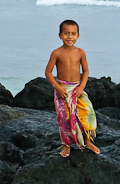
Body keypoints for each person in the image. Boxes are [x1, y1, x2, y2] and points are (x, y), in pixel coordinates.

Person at [44, 19, 100, 157]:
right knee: (65, 117)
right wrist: (57, 87)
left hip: (76, 89)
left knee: (87, 112)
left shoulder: (81, 52)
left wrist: (81, 87)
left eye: (73, 33)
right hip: (62, 89)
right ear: (60, 35)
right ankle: (66, 145)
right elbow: (48, 72)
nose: (70, 36)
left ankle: (87, 141)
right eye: (66, 33)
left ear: (78, 36)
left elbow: (86, 71)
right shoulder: (56, 53)